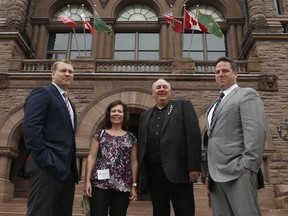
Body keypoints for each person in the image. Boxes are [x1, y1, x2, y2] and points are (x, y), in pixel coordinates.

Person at [206, 57, 266, 216]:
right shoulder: (214, 105)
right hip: (216, 176)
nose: (220, 74)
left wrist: (248, 166)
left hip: (239, 171)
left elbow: (256, 132)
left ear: (235, 73)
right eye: (217, 72)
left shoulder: (246, 95)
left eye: (225, 71)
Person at [138, 78, 202, 216]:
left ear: (170, 91)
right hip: (154, 174)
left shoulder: (183, 106)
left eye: (165, 87)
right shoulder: (145, 115)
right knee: (159, 212)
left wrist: (194, 166)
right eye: (158, 87)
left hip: (179, 171)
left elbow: (193, 135)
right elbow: (142, 145)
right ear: (153, 93)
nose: (162, 89)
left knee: (184, 211)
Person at [22, 59, 78, 216]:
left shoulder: (70, 104)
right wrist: (45, 159)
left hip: (66, 171)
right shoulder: (42, 93)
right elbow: (31, 128)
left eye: (71, 72)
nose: (68, 74)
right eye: (63, 70)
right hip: (46, 167)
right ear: (52, 74)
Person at [84, 100, 138, 216]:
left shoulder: (131, 138)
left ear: (124, 115)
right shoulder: (100, 134)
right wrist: (87, 181)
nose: (116, 113)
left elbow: (134, 162)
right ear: (109, 114)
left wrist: (134, 185)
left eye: (119, 111)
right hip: (100, 184)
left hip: (123, 186)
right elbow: (91, 157)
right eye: (113, 111)